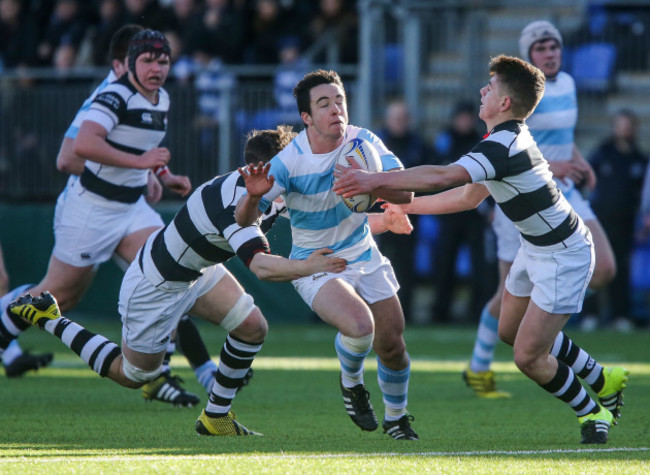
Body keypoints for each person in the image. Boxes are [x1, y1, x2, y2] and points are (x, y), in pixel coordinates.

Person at [333, 55, 629, 444]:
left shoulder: (504, 145)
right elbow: (468, 197)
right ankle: (601, 376)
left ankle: (592, 411)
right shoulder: (499, 142)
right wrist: (404, 205)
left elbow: (442, 176)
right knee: (509, 330)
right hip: (535, 248)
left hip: (564, 255)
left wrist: (371, 179)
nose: (482, 90)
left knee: (527, 357)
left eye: (490, 86)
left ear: (505, 103)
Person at [8, 126, 350, 436]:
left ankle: (216, 418)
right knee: (134, 375)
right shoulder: (234, 201)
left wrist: (376, 205)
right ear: (264, 170)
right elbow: (261, 267)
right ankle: (51, 319)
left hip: (197, 271)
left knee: (252, 327)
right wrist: (308, 266)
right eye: (292, 163)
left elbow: (314, 206)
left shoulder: (266, 189)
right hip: (156, 285)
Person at [0, 28, 204, 405]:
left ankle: (157, 377)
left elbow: (143, 144)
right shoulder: (110, 96)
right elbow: (76, 151)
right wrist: (141, 165)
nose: (156, 67)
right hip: (91, 208)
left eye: (163, 60)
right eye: (147, 59)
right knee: (60, 295)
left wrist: (160, 176)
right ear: (125, 64)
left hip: (132, 208)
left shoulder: (162, 98)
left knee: (171, 273)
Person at [235, 70, 420, 440]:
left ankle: (397, 419)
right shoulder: (290, 161)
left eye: (340, 101)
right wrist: (254, 196)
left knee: (393, 343)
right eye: (324, 104)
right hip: (316, 263)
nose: (336, 109)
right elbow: (243, 221)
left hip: (363, 253)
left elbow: (407, 195)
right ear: (307, 118)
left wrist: (374, 183)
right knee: (360, 326)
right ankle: (351, 383)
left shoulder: (364, 142)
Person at [455, 20, 617, 398]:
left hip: (563, 194)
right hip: (525, 194)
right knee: (506, 296)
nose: (550, 53)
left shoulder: (569, 85)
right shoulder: (515, 95)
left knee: (604, 268)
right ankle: (479, 368)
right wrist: (552, 165)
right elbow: (512, 146)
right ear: (528, 55)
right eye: (541, 48)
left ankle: (545, 329)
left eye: (554, 46)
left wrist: (577, 160)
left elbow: (563, 138)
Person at [430, 100, 493, 324]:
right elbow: (440, 169)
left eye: (468, 117)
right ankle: (440, 312)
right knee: (445, 263)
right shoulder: (445, 140)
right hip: (450, 212)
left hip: (476, 214)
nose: (465, 122)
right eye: (462, 117)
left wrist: (490, 208)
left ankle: (477, 312)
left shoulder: (480, 141)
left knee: (480, 266)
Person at [586, 109, 648, 331]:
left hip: (626, 222)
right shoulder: (602, 153)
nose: (625, 129)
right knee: (594, 265)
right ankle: (590, 315)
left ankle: (620, 315)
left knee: (621, 267)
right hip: (600, 220)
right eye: (621, 124)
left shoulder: (639, 159)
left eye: (628, 125)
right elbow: (585, 179)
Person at [375, 99, 431, 322]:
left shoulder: (419, 145)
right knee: (378, 264)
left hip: (409, 215)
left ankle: (403, 312)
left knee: (406, 266)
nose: (399, 122)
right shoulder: (375, 145)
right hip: (380, 215)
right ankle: (379, 313)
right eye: (395, 118)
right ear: (387, 120)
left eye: (403, 118)